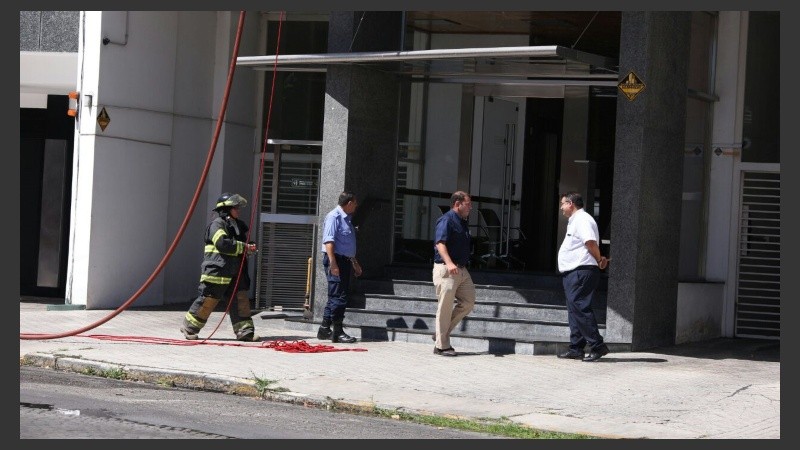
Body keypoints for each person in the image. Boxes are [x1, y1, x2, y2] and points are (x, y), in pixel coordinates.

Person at [180, 193, 260, 342]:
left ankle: (245, 332)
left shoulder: (237, 225)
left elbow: (241, 244)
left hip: (236, 271)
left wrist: (249, 246)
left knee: (241, 301)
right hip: (217, 272)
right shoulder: (217, 224)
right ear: (226, 209)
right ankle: (189, 328)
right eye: (235, 207)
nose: (238, 210)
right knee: (208, 301)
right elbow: (222, 243)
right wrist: (244, 247)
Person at [556, 191, 611, 362]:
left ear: (571, 203)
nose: (561, 207)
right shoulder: (575, 221)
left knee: (579, 307)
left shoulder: (583, 219)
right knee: (574, 309)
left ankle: (597, 345)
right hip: (574, 271)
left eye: (563, 204)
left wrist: (599, 259)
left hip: (581, 270)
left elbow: (590, 242)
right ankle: (576, 348)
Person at [431, 191, 477, 356]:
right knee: (445, 307)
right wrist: (449, 263)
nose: (470, 207)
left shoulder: (462, 222)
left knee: (469, 302)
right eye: (468, 204)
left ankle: (440, 335)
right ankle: (442, 346)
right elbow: (440, 243)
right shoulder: (447, 220)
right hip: (447, 269)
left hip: (461, 270)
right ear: (458, 204)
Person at [316, 191, 362, 343]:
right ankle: (338, 332)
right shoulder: (334, 217)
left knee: (335, 296)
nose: (356, 206)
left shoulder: (347, 219)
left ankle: (324, 329)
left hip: (345, 261)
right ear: (349, 203)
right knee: (339, 296)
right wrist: (333, 263)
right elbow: (329, 242)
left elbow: (346, 245)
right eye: (355, 203)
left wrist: (354, 263)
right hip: (336, 261)